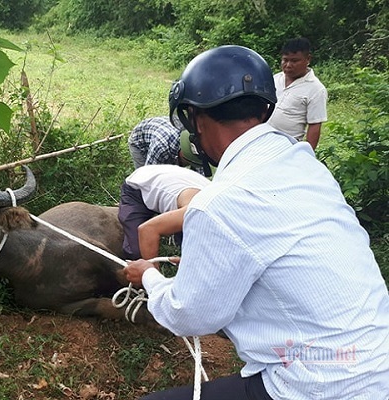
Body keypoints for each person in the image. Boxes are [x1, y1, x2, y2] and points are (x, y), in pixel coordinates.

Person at [124, 45, 389, 400]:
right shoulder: (307, 166)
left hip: (318, 384)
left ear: (196, 120)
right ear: (267, 106)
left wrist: (150, 278)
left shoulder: (218, 204)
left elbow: (189, 315)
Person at [118, 164, 210, 261]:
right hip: (139, 183)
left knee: (190, 246)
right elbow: (147, 230)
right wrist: (151, 273)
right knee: (137, 251)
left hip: (175, 181)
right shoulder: (194, 212)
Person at [267, 37, 328, 150]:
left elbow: (314, 125)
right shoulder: (275, 79)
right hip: (262, 140)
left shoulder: (316, 89)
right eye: (285, 60)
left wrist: (307, 155)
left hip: (287, 147)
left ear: (308, 59)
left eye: (294, 61)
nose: (288, 65)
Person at [127, 116, 209, 175]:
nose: (187, 165)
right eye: (187, 162)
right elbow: (149, 178)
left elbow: (199, 178)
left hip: (162, 133)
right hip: (139, 142)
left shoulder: (198, 150)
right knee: (143, 177)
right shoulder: (160, 147)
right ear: (182, 154)